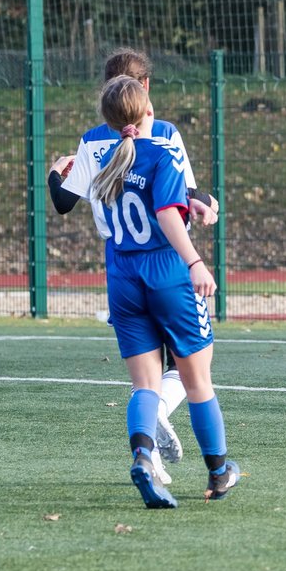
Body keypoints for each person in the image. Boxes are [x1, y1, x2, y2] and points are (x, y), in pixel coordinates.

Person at [66, 74, 241, 508]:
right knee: (197, 378)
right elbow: (165, 214)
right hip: (165, 270)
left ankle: (143, 458)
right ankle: (219, 472)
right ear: (148, 112)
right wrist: (195, 262)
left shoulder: (106, 162)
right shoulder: (162, 154)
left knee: (144, 383)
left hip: (122, 276)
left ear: (109, 121)